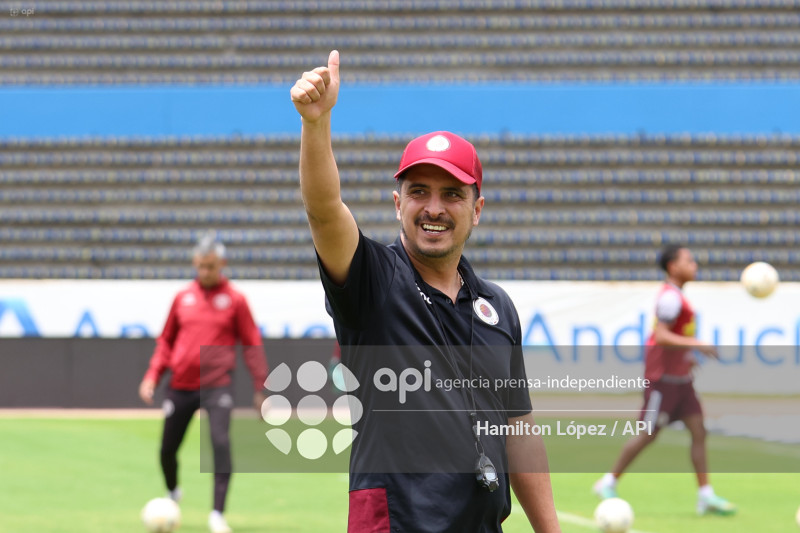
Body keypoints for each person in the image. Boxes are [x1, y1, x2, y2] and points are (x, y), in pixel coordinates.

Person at [290, 50, 560, 532]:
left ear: (476, 209)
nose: (433, 208)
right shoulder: (372, 280)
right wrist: (317, 124)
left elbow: (518, 429)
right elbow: (324, 209)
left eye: (452, 194)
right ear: (398, 204)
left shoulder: (496, 307)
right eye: (419, 192)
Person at [593, 244, 736, 516]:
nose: (694, 264)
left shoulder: (679, 297)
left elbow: (670, 338)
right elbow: (661, 336)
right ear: (673, 267)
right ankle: (607, 482)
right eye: (689, 260)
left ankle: (705, 495)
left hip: (681, 381)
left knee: (699, 431)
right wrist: (697, 344)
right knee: (648, 434)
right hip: (663, 382)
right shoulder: (670, 298)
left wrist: (687, 356)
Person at [138, 236, 268, 533]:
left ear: (221, 264)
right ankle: (173, 492)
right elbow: (166, 341)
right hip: (181, 384)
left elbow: (251, 344)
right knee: (167, 449)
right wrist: (152, 376)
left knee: (221, 445)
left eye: (209, 267)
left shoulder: (235, 300)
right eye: (199, 267)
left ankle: (217, 514)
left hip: (217, 385)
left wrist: (261, 387)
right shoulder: (182, 298)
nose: (204, 272)